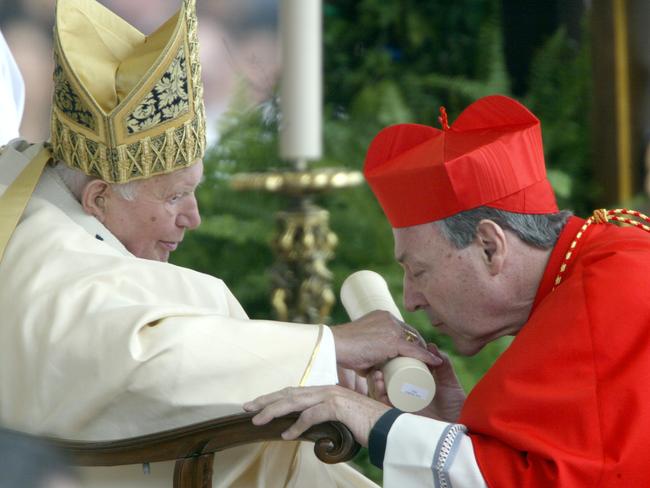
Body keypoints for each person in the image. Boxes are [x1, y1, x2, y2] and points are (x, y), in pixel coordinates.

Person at [0, 1, 437, 487]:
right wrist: (330, 345)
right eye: (176, 196)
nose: (194, 217)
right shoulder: (40, 251)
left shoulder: (32, 183)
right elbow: (141, 358)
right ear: (99, 198)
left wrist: (321, 364)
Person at [245, 94, 650, 487]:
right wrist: (448, 425)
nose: (410, 300)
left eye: (418, 270)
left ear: (490, 247)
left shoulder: (616, 289)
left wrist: (375, 421)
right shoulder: (592, 272)